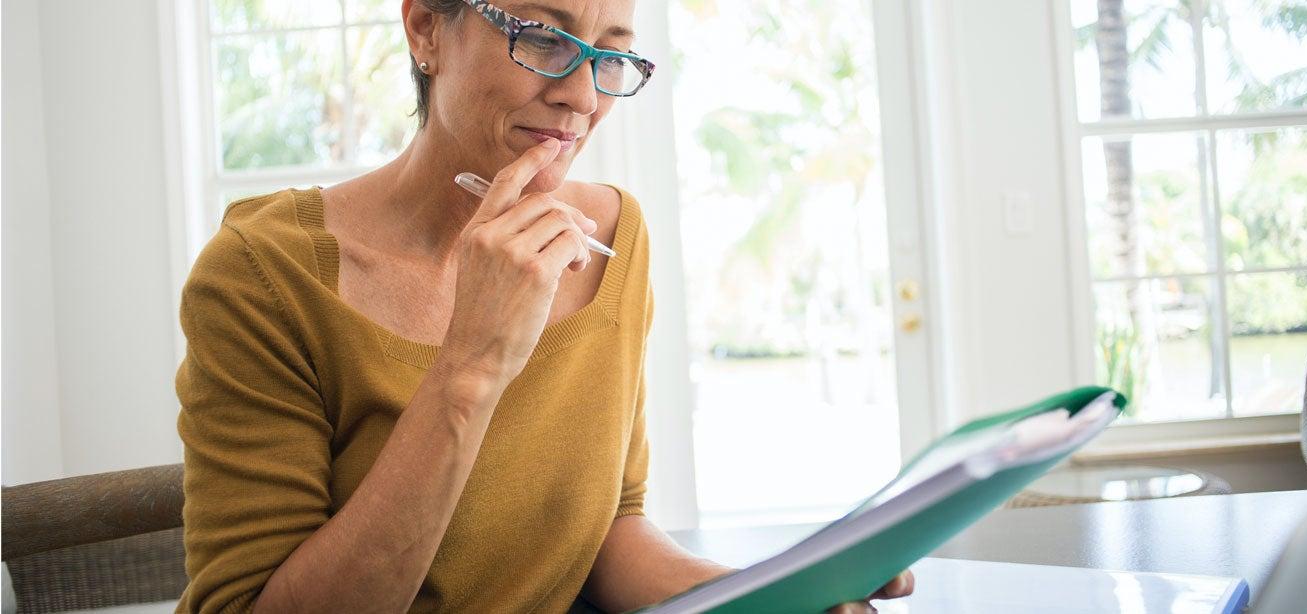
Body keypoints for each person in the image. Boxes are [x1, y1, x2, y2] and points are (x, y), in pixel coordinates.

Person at [174, 0, 913, 612]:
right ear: (426, 28)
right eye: (541, 39)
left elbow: (608, 532)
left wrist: (769, 598)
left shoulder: (613, 240)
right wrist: (471, 364)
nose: (584, 99)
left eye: (608, 56)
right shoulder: (261, 275)